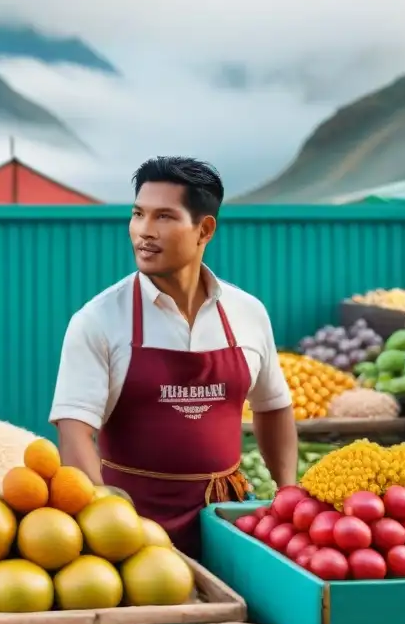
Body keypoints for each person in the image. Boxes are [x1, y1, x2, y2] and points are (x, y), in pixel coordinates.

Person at [49, 156, 298, 557]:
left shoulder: (247, 313)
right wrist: (106, 519)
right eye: (138, 214)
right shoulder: (99, 319)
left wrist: (287, 492)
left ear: (205, 229)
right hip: (132, 529)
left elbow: (273, 407)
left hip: (230, 523)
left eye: (164, 217)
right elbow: (74, 431)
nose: (144, 232)